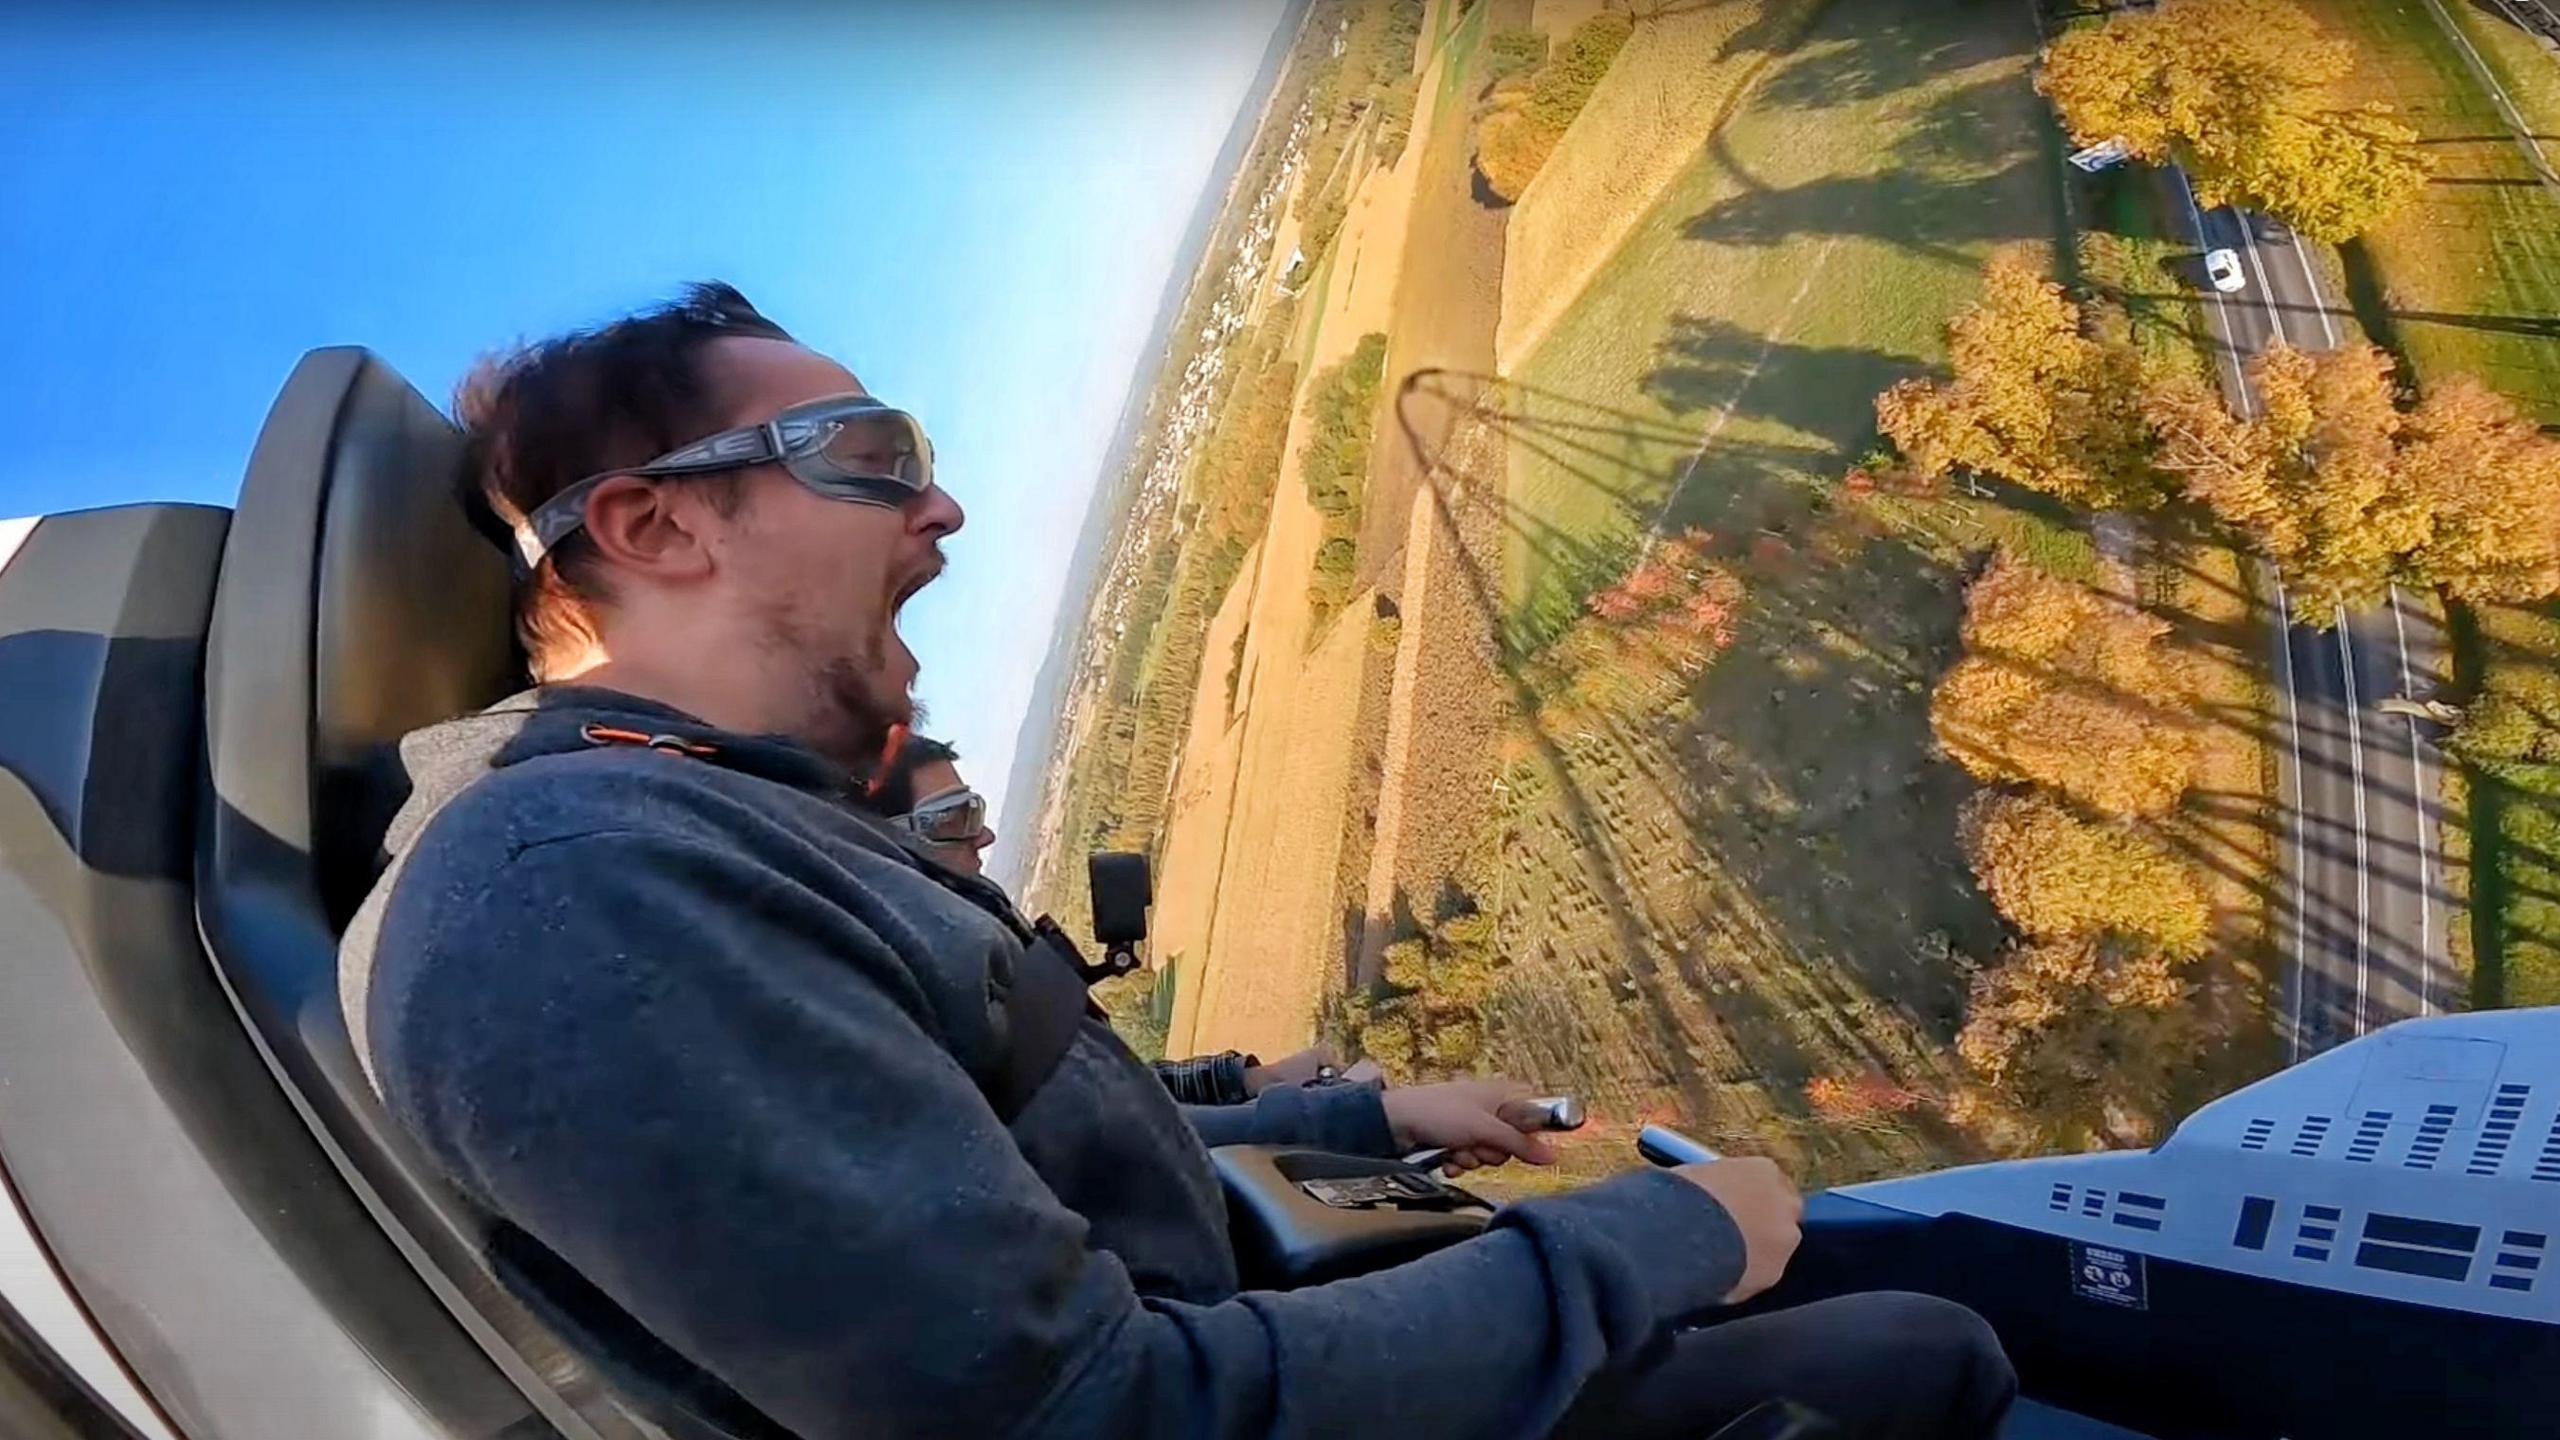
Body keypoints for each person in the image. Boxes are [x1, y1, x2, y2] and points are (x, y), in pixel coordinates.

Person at [339, 282, 2013, 1439]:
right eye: (872, 456)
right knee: (1920, 1351)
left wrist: (1351, 1119)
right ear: (655, 528)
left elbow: (1031, 1152)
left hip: (1232, 1317)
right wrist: (1665, 1244)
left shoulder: (716, 825)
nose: (945, 513)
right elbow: (1100, 1417)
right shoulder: (567, 894)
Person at [859, 725, 1385, 1106]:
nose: (985, 835)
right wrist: (1352, 1119)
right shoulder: (948, 1004)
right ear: (889, 844)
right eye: (955, 817)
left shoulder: (979, 947)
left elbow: (1120, 1095)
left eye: (975, 809)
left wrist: (1251, 1080)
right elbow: (1111, 1131)